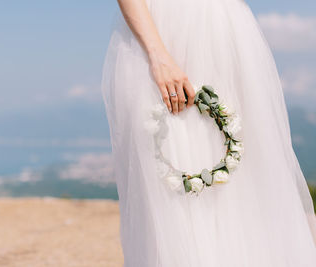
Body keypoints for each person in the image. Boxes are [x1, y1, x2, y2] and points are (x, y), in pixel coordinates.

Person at [100, 0, 316, 266]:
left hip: (227, 35)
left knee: (245, 187)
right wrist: (158, 55)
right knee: (171, 190)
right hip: (163, 33)